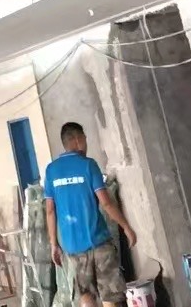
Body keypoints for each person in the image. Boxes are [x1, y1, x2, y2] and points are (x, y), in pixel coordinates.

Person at [43, 121, 136, 307]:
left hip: (73, 248)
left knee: (85, 294)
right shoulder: (88, 165)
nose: (86, 143)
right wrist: (126, 227)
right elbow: (106, 203)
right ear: (78, 140)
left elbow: (50, 211)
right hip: (99, 242)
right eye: (85, 139)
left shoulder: (51, 171)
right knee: (110, 295)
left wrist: (54, 244)